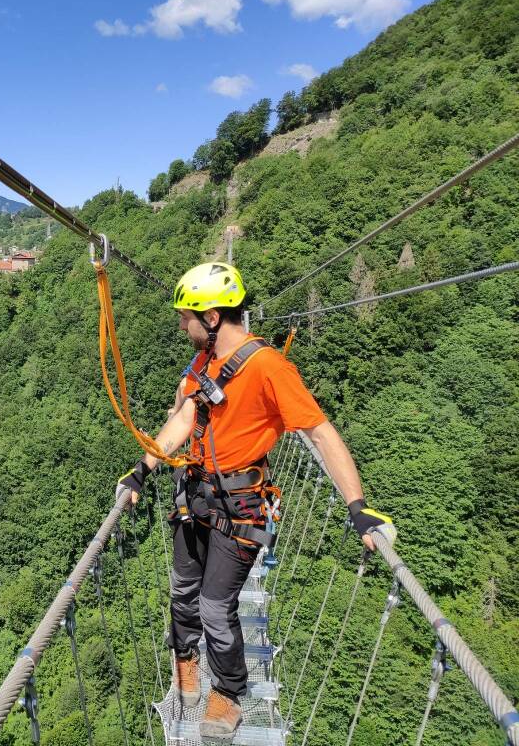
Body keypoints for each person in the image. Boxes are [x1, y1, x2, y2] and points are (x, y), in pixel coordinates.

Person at [115, 262, 393, 739]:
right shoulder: (204, 363)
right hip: (194, 496)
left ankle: (228, 692)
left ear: (214, 317)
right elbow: (183, 421)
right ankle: (185, 662)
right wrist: (144, 469)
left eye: (187, 317)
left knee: (215, 609)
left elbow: (320, 433)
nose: (181, 325)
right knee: (182, 594)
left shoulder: (267, 366)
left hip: (240, 507)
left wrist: (357, 506)